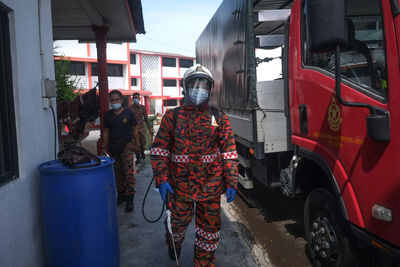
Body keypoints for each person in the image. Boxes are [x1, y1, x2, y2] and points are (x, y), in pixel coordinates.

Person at [151, 64, 239, 266]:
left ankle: (204, 263)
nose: (198, 89)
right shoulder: (172, 117)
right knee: (176, 225)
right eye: (194, 84)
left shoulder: (219, 118)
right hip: (179, 187)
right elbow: (160, 152)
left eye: (203, 85)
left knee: (209, 231)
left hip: (210, 186)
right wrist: (161, 180)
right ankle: (175, 242)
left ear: (209, 89)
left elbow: (229, 152)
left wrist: (232, 181)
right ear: (185, 88)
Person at [102, 90, 140, 212]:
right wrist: (104, 146)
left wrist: (137, 145)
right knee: (117, 173)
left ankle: (130, 199)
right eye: (112, 100)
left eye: (116, 100)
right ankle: (121, 194)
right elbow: (106, 132)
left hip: (126, 145)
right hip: (114, 146)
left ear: (121, 100)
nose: (114, 102)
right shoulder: (108, 116)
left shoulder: (128, 114)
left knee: (128, 173)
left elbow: (134, 130)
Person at [130, 92, 153, 164]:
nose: (136, 99)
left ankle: (142, 152)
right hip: (133, 129)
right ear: (132, 99)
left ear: (139, 99)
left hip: (141, 128)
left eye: (137, 98)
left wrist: (150, 129)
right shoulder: (129, 108)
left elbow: (146, 119)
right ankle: (138, 157)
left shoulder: (142, 107)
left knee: (142, 143)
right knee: (135, 143)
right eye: (134, 98)